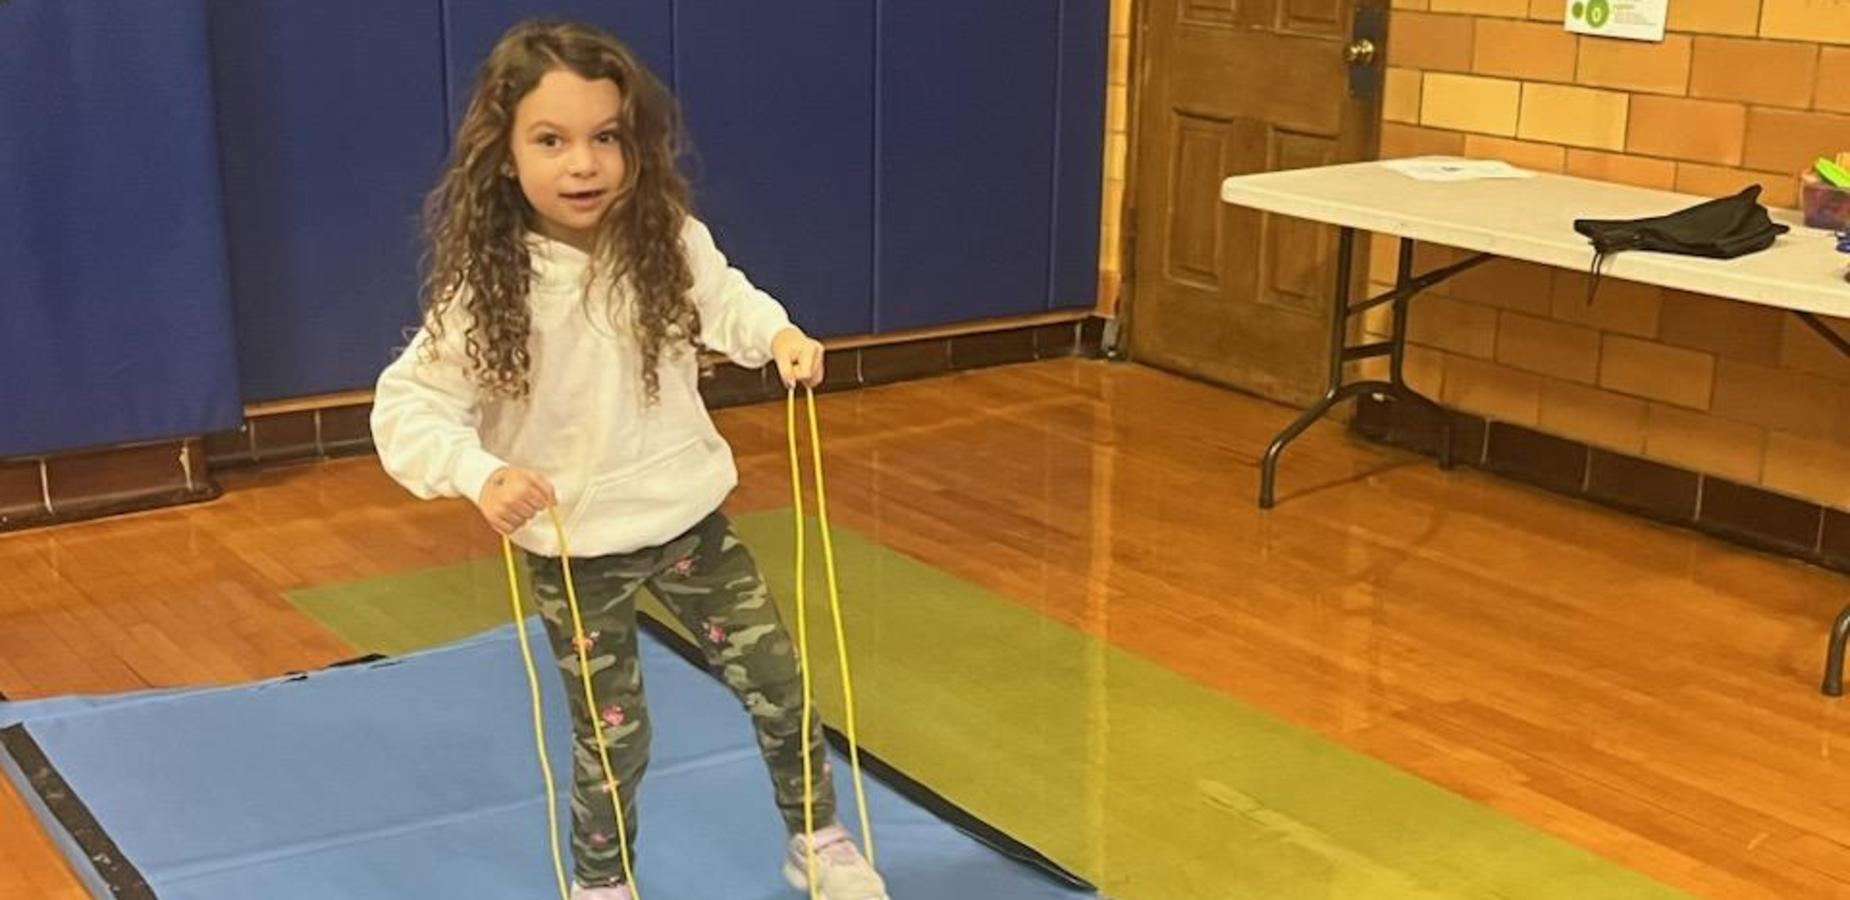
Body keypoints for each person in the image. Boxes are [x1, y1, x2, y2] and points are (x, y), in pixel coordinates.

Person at [370, 19, 886, 900]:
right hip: (576, 553)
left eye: (605, 138)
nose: (584, 164)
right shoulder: (488, 289)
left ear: (633, 146)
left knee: (780, 686)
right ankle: (604, 884)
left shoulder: (665, 240)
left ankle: (818, 838)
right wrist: (478, 472)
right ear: (504, 156)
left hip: (688, 526)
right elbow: (408, 402)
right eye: (551, 141)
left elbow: (727, 299)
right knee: (613, 736)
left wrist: (779, 335)